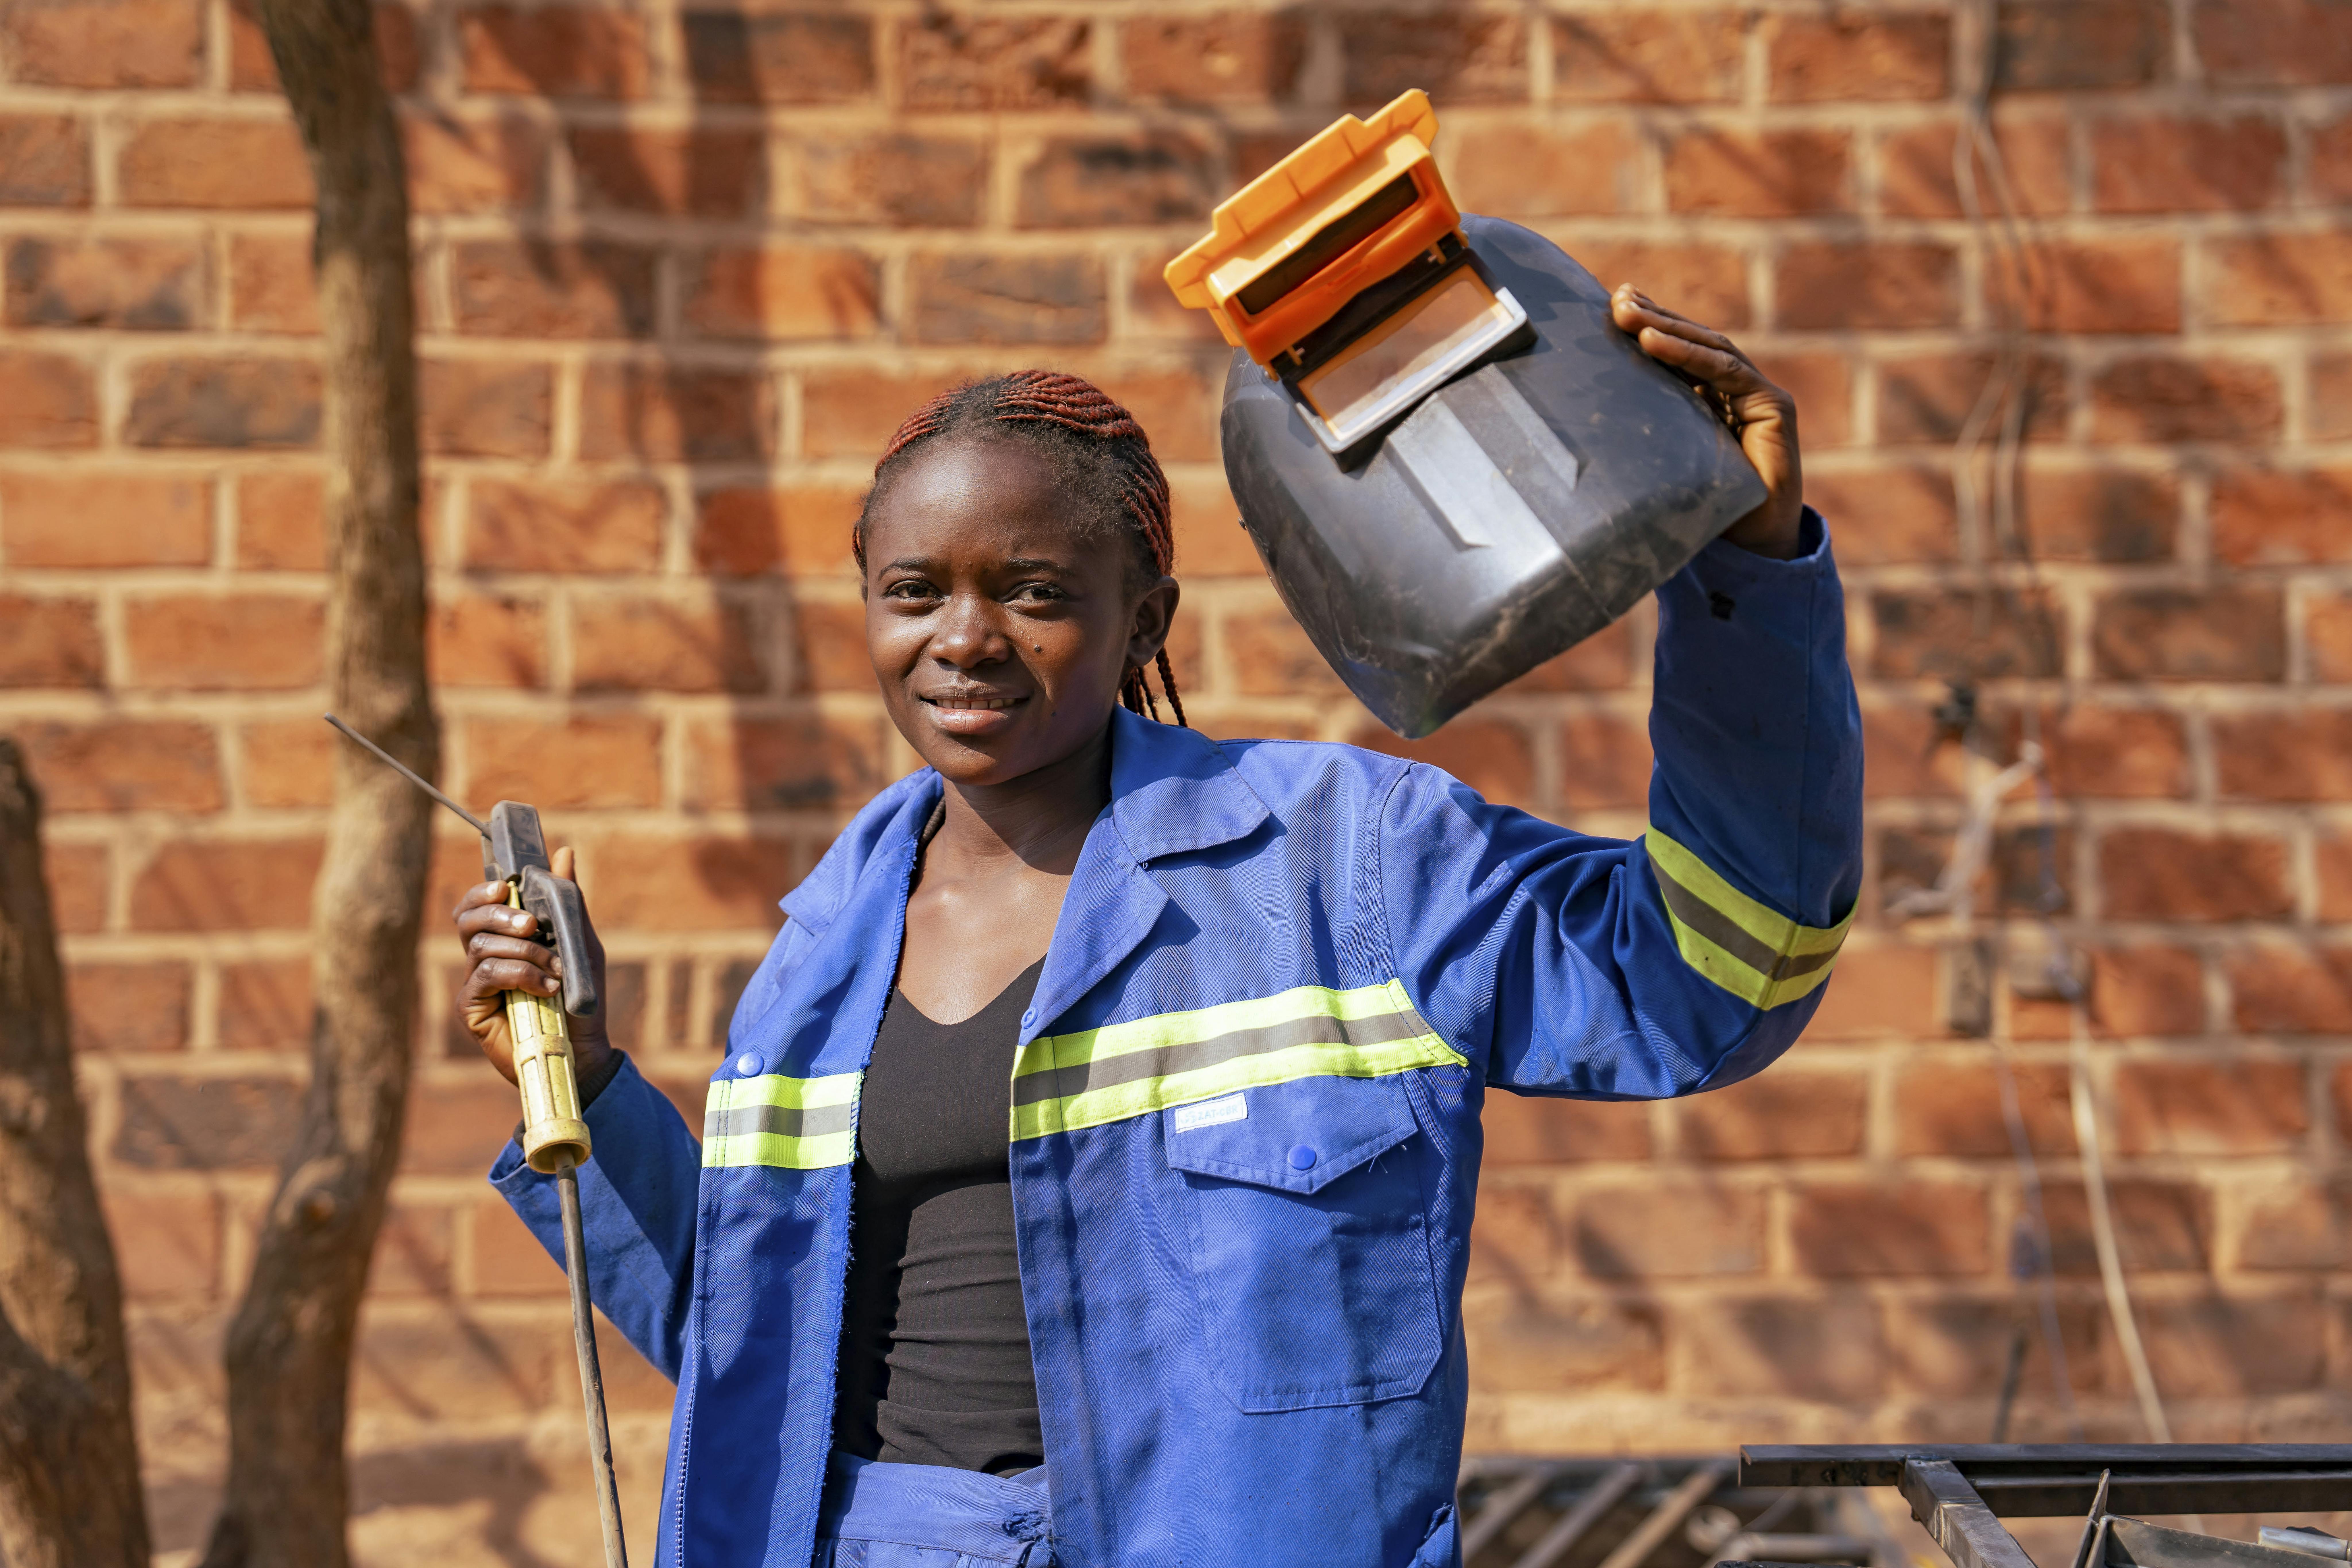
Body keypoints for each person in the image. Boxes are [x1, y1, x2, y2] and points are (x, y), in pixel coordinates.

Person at [455, 285, 1863, 1568]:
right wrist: (581, 1076)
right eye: (913, 591)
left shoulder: (1348, 858)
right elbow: (747, 1350)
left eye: (1033, 592)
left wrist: (1742, 569)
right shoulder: (817, 956)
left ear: (1144, 621)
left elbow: (1717, 976)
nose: (963, 638)